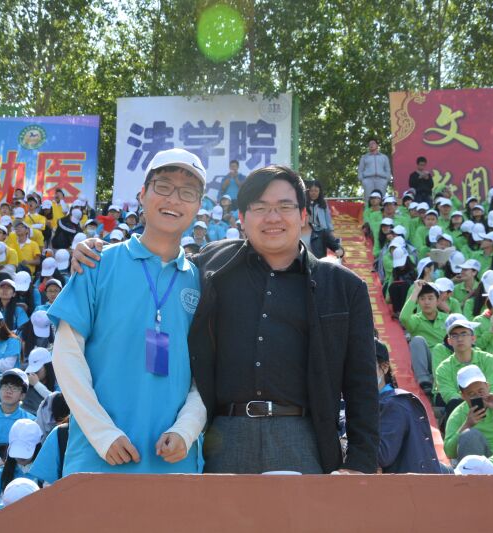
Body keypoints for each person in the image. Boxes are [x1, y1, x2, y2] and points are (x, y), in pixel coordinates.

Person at [72, 163, 379, 474]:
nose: (272, 217)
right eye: (260, 207)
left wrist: (360, 463)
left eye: (284, 206)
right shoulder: (211, 265)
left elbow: (362, 383)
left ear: (303, 215)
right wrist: (96, 250)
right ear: (242, 218)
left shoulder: (343, 287)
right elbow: (159, 262)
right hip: (224, 437)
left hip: (302, 436)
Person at [50, 148, 208, 474]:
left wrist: (187, 429)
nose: (174, 199)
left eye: (187, 192)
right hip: (98, 458)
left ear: (198, 207)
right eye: (163, 186)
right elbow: (67, 355)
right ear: (142, 194)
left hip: (173, 462)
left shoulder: (201, 280)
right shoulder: (97, 263)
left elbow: (208, 373)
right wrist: (102, 434)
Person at [375, 339, 442, 473]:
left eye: (366, 365)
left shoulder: (394, 404)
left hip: (406, 485)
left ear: (385, 367)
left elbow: (382, 455)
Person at [443, 365, 493, 461]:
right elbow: (449, 452)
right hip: (478, 463)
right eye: (472, 394)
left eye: (481, 391)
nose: (478, 396)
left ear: (488, 386)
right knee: (470, 435)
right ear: (463, 396)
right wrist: (467, 425)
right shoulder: (458, 414)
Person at [357, 138, 391, 202]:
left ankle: (381, 208)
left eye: (373, 143)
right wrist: (362, 180)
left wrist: (387, 179)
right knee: (368, 199)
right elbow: (360, 169)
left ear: (377, 145)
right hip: (368, 180)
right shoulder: (364, 157)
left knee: (381, 198)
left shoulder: (384, 157)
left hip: (381, 180)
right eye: (369, 144)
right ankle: (367, 208)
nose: (371, 145)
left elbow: (387, 169)